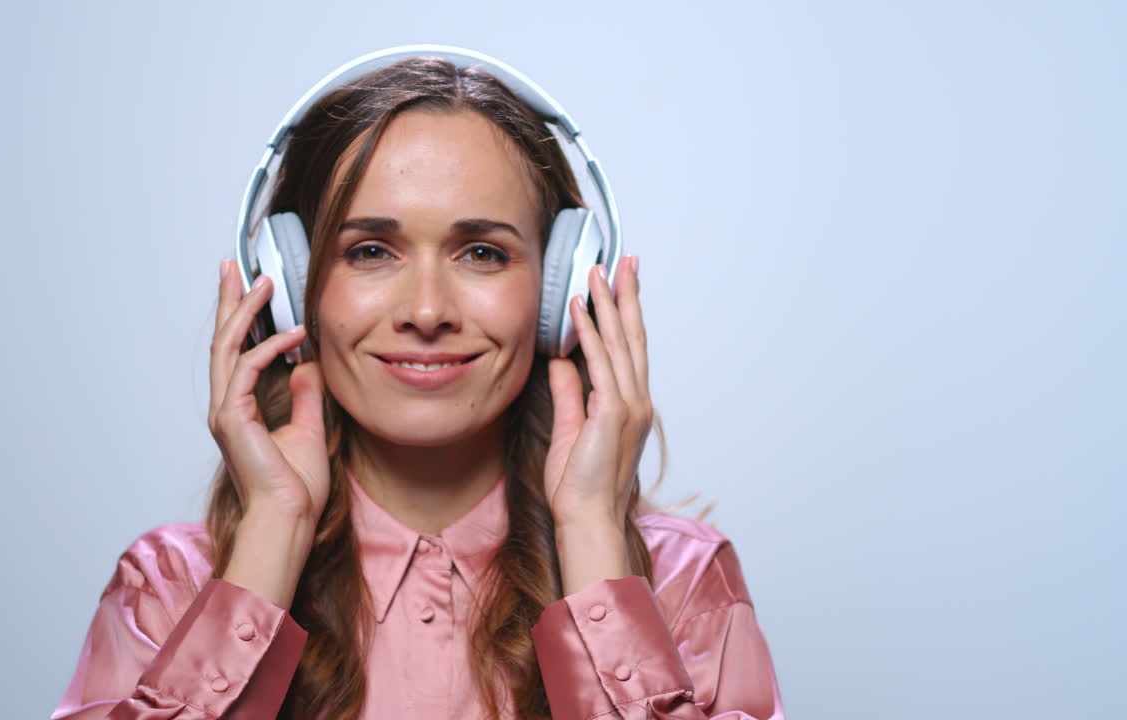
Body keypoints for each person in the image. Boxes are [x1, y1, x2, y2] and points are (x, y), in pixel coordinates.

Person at [50, 50, 785, 720]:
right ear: (290, 284)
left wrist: (592, 533)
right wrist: (272, 532)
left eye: (482, 253)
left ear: (561, 292)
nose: (427, 311)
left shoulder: (682, 581)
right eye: (370, 251)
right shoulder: (171, 584)